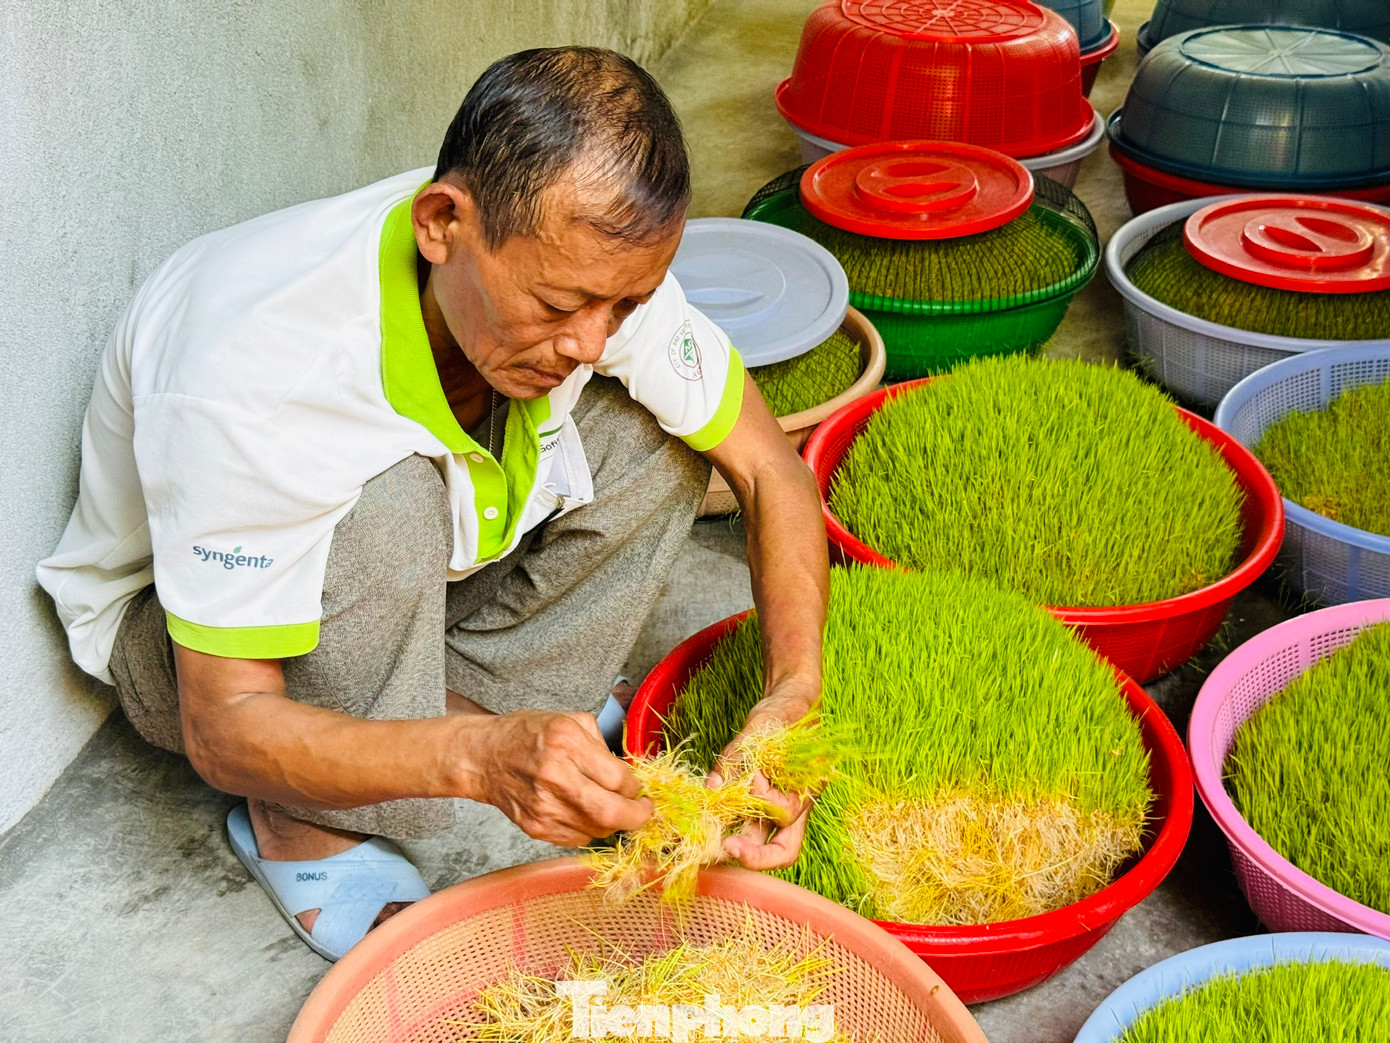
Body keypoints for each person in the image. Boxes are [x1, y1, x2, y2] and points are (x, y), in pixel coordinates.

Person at [37, 46, 829, 962]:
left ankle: (496, 706)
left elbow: (771, 468)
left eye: (624, 306)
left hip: (428, 563)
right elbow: (223, 725)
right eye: (560, 304)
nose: (590, 340)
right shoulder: (257, 372)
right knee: (391, 505)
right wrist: (476, 761)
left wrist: (793, 689)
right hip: (185, 647)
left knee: (663, 435)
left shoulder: (588, 265)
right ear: (443, 223)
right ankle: (301, 829)